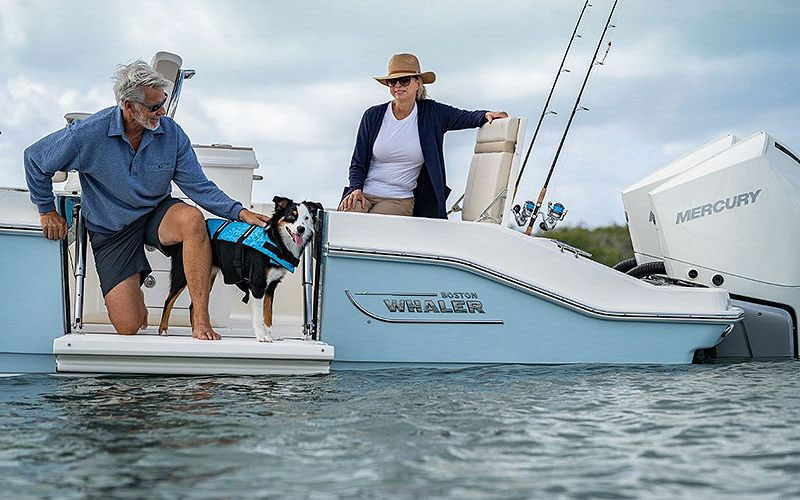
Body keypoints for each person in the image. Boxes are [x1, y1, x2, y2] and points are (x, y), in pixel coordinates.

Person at [23, 61, 270, 341]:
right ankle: (133, 281)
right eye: (154, 107)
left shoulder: (171, 133)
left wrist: (240, 213)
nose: (162, 112)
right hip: (112, 228)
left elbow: (198, 186)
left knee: (192, 219)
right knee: (129, 325)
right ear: (129, 106)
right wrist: (46, 210)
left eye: (162, 103)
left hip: (155, 214)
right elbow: (34, 159)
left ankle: (200, 320)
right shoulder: (86, 134)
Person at [339, 53, 508, 218]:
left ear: (417, 82)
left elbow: (463, 117)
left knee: (375, 226)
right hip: (364, 193)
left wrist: (485, 115)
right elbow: (358, 161)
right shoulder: (372, 115)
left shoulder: (432, 113)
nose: (398, 85)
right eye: (392, 81)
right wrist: (355, 189)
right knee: (345, 222)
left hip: (398, 199)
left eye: (404, 80)